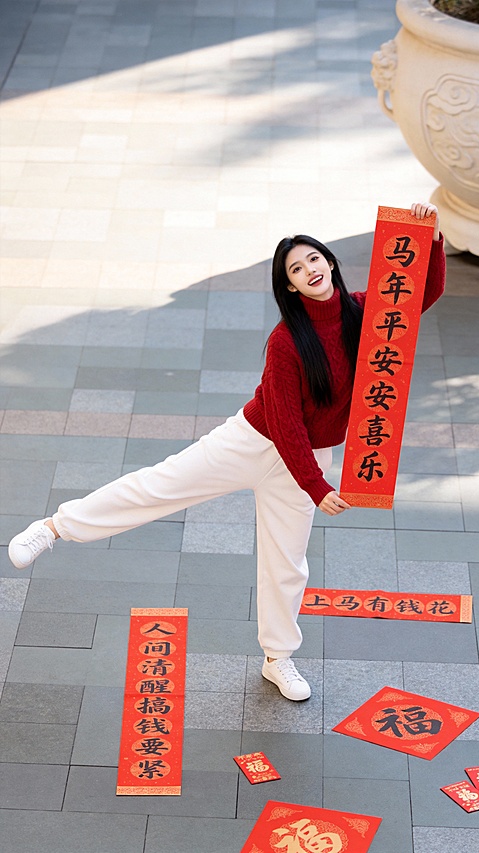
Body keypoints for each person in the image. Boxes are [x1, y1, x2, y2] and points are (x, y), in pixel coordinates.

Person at [8, 202, 445, 701]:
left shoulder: (364, 312)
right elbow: (285, 421)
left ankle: (278, 659)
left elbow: (419, 296)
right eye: (296, 270)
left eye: (314, 259)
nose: (310, 271)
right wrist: (317, 485)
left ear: (331, 262)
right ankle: (53, 528)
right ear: (290, 287)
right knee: (161, 485)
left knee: (288, 562)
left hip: (304, 461)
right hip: (253, 442)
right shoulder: (286, 342)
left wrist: (430, 237)